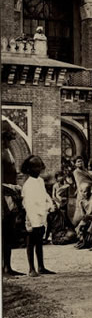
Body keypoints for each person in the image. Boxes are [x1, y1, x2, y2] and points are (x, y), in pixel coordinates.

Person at [21, 155, 55, 277]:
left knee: (40, 242)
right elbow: (29, 205)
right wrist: (34, 221)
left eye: (39, 166)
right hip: (32, 216)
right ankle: (31, 268)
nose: (38, 169)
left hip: (42, 214)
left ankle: (41, 266)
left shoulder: (40, 181)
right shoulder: (28, 184)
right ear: (29, 169)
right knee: (31, 241)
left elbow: (45, 195)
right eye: (35, 167)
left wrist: (50, 204)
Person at [2, 119, 24, 276]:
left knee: (9, 232)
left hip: (10, 197)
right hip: (3, 197)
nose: (7, 141)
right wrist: (12, 187)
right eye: (5, 138)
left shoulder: (7, 151)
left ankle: (7, 266)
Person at [72, 156, 92, 227]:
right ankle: (76, 226)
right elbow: (81, 182)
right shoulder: (76, 172)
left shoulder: (85, 170)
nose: (80, 163)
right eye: (78, 161)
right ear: (75, 164)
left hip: (90, 190)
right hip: (83, 192)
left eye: (81, 161)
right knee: (81, 212)